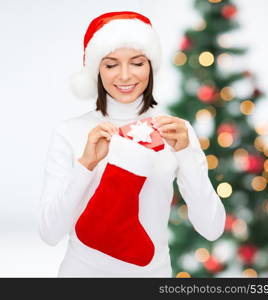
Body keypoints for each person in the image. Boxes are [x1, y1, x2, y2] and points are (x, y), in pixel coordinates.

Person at [39, 11, 226, 278]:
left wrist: (186, 155)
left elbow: (212, 227)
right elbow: (49, 233)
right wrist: (86, 165)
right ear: (96, 70)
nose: (125, 76)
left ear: (151, 65)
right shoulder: (70, 132)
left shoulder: (175, 131)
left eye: (137, 63)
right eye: (111, 64)